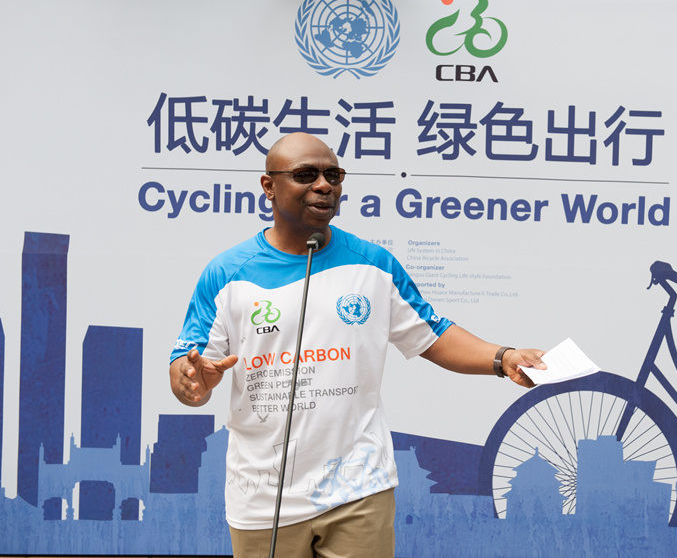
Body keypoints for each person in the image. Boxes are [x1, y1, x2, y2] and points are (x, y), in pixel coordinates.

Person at [168, 132, 546, 558]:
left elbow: (433, 335)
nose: (324, 185)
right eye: (306, 174)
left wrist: (504, 358)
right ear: (268, 185)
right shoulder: (227, 273)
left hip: (358, 488)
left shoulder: (373, 265)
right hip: (263, 495)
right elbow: (188, 366)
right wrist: (191, 381)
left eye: (334, 174)